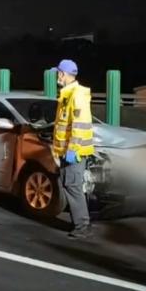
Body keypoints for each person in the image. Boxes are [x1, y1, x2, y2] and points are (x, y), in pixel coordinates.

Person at [50, 59, 95, 239]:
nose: (57, 77)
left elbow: (80, 124)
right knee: (71, 185)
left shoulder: (76, 94)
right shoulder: (67, 94)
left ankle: (83, 226)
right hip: (66, 151)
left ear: (63, 74)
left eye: (58, 73)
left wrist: (73, 149)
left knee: (73, 186)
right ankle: (81, 223)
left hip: (74, 152)